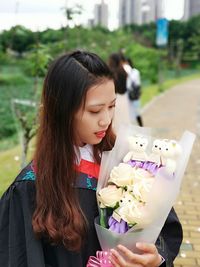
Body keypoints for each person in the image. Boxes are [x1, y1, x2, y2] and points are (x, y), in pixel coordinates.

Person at [0, 50, 182, 267]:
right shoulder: (31, 186)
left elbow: (164, 230)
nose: (106, 120)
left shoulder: (130, 164)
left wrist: (155, 258)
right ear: (62, 111)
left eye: (112, 106)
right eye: (95, 111)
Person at [108, 53, 131, 132]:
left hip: (114, 98)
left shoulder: (110, 73)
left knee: (115, 122)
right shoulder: (123, 72)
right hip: (124, 98)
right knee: (124, 119)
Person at [122, 56, 144, 127]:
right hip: (127, 93)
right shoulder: (123, 72)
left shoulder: (135, 72)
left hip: (134, 93)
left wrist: (128, 72)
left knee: (137, 111)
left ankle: (141, 126)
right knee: (128, 112)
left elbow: (135, 82)